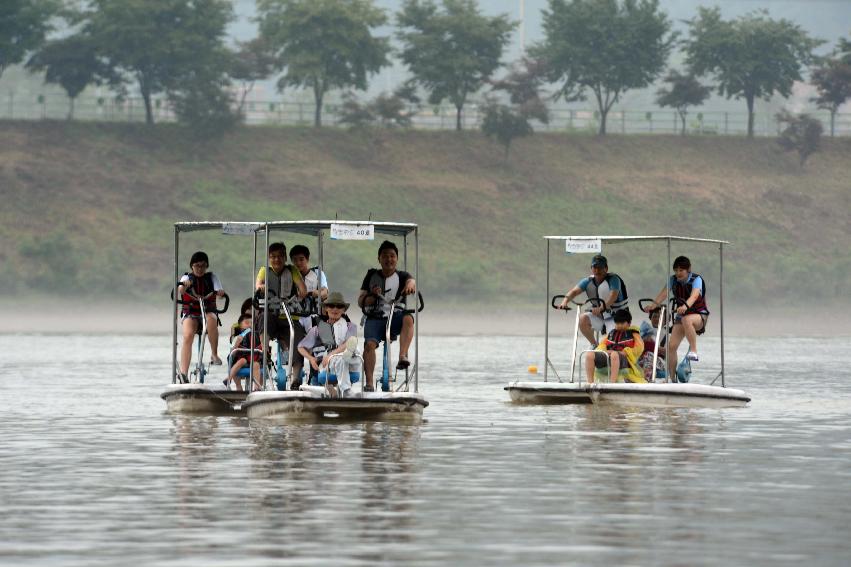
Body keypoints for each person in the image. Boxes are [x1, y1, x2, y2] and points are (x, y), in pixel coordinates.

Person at [358, 240, 416, 392]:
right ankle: (369, 383)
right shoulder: (371, 275)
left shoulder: (403, 276)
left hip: (395, 317)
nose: (388, 259)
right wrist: (373, 296)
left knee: (409, 318)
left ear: (396, 258)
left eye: (392, 256)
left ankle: (402, 356)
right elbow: (360, 301)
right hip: (375, 318)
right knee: (369, 345)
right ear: (379, 258)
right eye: (385, 256)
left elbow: (411, 281)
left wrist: (410, 285)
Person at [255, 242, 308, 388]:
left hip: (289, 315)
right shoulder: (264, 271)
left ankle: (296, 378)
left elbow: (303, 289)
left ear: (285, 258)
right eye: (273, 257)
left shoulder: (292, 271)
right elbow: (258, 284)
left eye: (279, 257)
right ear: (269, 258)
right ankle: (264, 351)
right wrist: (261, 287)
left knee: (298, 339)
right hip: (272, 313)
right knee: (264, 317)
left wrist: (299, 293)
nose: (276, 260)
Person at [647, 255, 709, 377]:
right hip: (682, 316)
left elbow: (694, 296)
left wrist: (685, 307)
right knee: (671, 346)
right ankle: (672, 379)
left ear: (688, 269)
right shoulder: (673, 280)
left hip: (699, 315)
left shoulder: (697, 280)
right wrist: (653, 305)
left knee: (687, 319)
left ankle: (693, 351)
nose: (678, 273)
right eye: (676, 270)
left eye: (681, 270)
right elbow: (664, 294)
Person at [297, 292, 360, 397]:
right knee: (340, 358)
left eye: (339, 306)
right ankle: (346, 390)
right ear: (326, 308)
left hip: (350, 361)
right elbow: (300, 347)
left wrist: (332, 354)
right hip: (330, 363)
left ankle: (348, 356)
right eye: (331, 306)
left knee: (353, 349)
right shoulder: (317, 329)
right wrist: (311, 359)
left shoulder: (351, 326)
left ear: (343, 310)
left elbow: (348, 342)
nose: (335, 309)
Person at [557, 254, 629, 347]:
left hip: (616, 318)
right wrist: (564, 302)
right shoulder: (587, 281)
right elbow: (574, 291)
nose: (597, 270)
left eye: (600, 267)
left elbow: (613, 296)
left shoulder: (613, 279)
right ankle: (594, 345)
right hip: (599, 317)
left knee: (613, 344)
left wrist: (602, 308)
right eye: (594, 267)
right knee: (583, 319)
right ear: (591, 268)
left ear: (606, 268)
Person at [177, 251, 225, 383]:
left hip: (208, 311)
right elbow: (180, 290)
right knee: (188, 336)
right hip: (191, 312)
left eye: (203, 266)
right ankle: (183, 373)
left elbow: (220, 293)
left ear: (207, 266)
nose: (200, 269)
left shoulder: (212, 278)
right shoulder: (186, 277)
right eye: (197, 266)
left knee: (211, 320)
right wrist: (184, 286)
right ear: (192, 266)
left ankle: (214, 354)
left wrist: (220, 293)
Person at [584, 309, 645, 384]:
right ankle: (590, 383)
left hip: (626, 361)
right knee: (590, 354)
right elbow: (601, 345)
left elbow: (639, 348)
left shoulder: (634, 334)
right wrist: (605, 351)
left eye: (622, 323)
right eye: (617, 323)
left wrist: (625, 352)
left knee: (614, 355)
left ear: (629, 323)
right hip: (609, 357)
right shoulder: (612, 334)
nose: (619, 325)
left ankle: (612, 383)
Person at [289, 244, 329, 331]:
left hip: (313, 313)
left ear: (307, 259)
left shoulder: (317, 273)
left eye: (301, 259)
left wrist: (315, 293)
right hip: (294, 314)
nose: (298, 263)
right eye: (295, 260)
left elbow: (325, 293)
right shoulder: (289, 275)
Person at [227, 314, 262, 391]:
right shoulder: (237, 337)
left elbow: (262, 347)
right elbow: (232, 353)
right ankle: (230, 380)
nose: (250, 325)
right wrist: (237, 343)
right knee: (241, 361)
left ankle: (256, 388)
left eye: (251, 323)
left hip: (254, 360)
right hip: (242, 360)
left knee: (256, 364)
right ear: (240, 326)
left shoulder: (257, 335)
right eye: (247, 323)